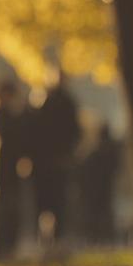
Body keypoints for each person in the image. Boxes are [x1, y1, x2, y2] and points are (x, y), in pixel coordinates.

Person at [31, 66, 81, 252]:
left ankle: (47, 238)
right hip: (56, 161)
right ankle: (55, 238)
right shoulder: (67, 102)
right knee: (56, 201)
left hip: (46, 162)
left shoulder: (44, 102)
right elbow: (75, 132)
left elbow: (34, 133)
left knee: (46, 201)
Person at [0, 79, 31, 261]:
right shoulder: (1, 114)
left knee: (11, 207)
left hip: (11, 167)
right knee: (6, 208)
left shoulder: (7, 114)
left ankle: (8, 245)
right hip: (6, 168)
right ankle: (2, 246)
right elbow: (12, 136)